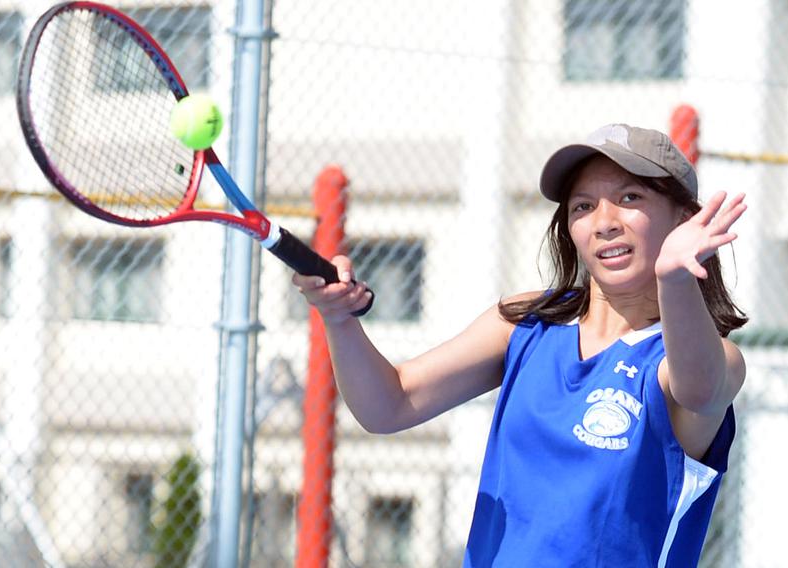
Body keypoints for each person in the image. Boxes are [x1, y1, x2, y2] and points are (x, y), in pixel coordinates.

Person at [292, 123, 748, 567]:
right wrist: (339, 318)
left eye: (630, 198)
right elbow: (388, 405)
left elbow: (700, 389)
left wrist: (675, 278)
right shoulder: (526, 322)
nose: (604, 222)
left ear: (684, 219)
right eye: (583, 206)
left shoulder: (701, 360)